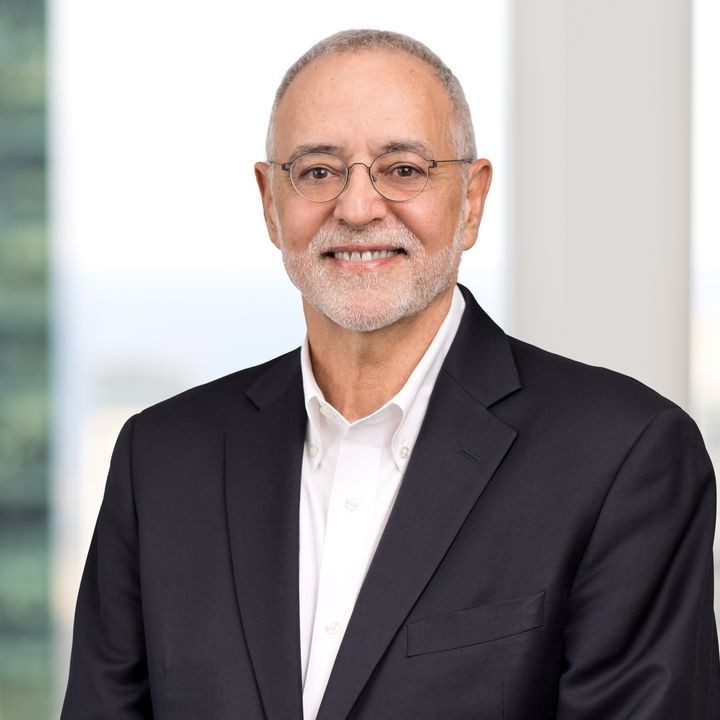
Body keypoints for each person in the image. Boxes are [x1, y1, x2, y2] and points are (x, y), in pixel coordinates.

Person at [61, 29, 719, 720]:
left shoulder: (622, 456)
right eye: (318, 171)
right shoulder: (159, 460)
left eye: (403, 169)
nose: (357, 207)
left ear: (471, 200)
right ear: (269, 202)